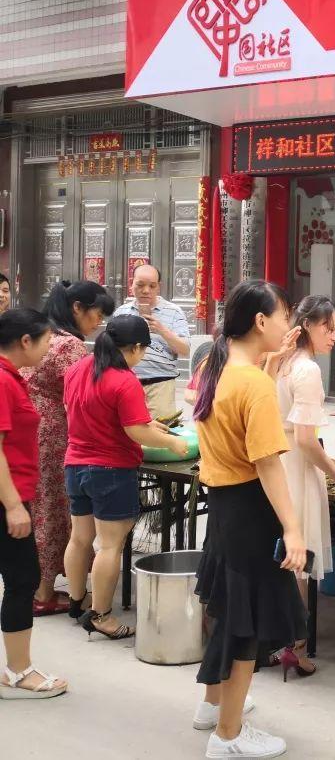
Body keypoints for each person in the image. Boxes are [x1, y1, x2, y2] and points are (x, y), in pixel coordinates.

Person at [191, 280, 309, 759]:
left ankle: (213, 707)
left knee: (227, 611)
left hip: (222, 507)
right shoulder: (254, 385)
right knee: (246, 624)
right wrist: (294, 529)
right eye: (281, 316)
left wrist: (271, 359)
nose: (286, 326)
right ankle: (228, 734)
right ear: (260, 322)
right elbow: (267, 464)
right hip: (250, 510)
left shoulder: (212, 365)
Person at [62, 315, 188, 640]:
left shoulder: (80, 368)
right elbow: (134, 431)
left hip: (76, 465)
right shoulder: (124, 379)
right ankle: (101, 615)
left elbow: (106, 415)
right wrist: (173, 441)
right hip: (111, 470)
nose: (142, 356)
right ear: (134, 348)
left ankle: (77, 602)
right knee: (110, 545)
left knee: (79, 538)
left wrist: (152, 425)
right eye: (143, 350)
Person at [275, 295, 335, 676]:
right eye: (330, 328)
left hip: (275, 461)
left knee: (283, 558)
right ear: (308, 325)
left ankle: (282, 641)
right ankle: (294, 645)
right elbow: (308, 441)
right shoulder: (306, 370)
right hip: (295, 465)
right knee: (298, 561)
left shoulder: (279, 361)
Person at [23, 280, 114, 619]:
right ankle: (46, 591)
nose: (98, 323)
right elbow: (84, 394)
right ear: (77, 308)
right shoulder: (70, 346)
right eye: (97, 315)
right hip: (54, 433)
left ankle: (36, 584)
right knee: (56, 509)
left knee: (37, 506)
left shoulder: (42, 336)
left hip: (29, 426)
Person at [0, 308, 68, 699]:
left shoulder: (13, 378)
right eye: (45, 340)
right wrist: (13, 505)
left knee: (20, 578)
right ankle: (19, 669)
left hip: (14, 494)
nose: (48, 349)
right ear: (26, 341)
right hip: (7, 497)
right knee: (22, 579)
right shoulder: (4, 382)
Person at [111, 264, 191, 420]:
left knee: (160, 436)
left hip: (161, 384)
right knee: (127, 435)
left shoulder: (174, 312)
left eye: (152, 286)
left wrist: (162, 330)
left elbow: (185, 349)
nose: (146, 290)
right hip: (126, 384)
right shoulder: (121, 312)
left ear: (158, 287)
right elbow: (111, 349)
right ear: (131, 284)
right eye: (140, 285)